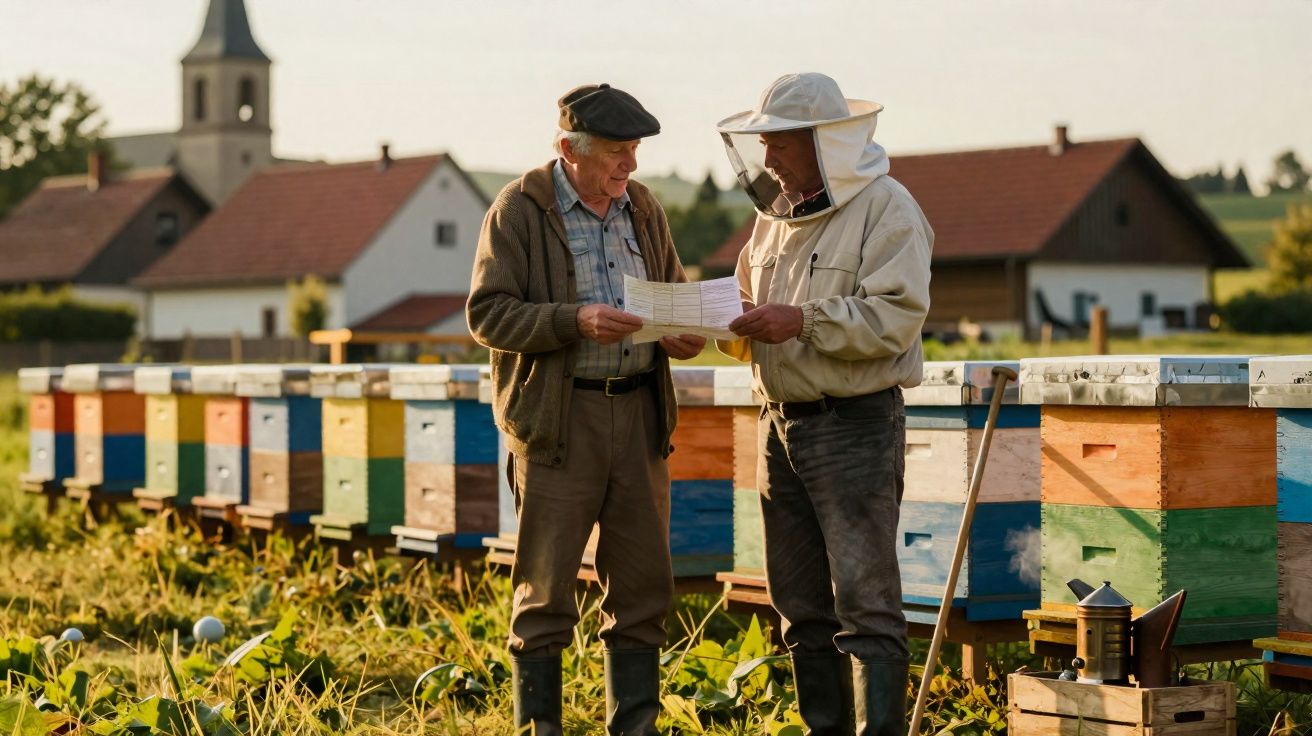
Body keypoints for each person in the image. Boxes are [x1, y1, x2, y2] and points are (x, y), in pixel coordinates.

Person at [466, 82, 704, 735]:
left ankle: (635, 727)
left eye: (635, 151)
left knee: (642, 586)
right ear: (570, 148)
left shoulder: (645, 209)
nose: (630, 165)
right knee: (544, 589)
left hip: (639, 421)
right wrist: (573, 321)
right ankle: (538, 727)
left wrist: (684, 335)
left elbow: (674, 297)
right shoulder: (518, 209)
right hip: (558, 423)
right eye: (617, 152)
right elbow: (487, 314)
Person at [716, 72, 934, 735]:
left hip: (854, 426)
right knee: (800, 605)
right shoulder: (772, 223)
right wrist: (719, 326)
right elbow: (750, 307)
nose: (767, 160)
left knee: (865, 603)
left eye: (780, 145)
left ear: (825, 144)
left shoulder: (887, 208)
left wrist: (801, 322)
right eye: (763, 145)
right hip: (779, 426)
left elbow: (895, 318)